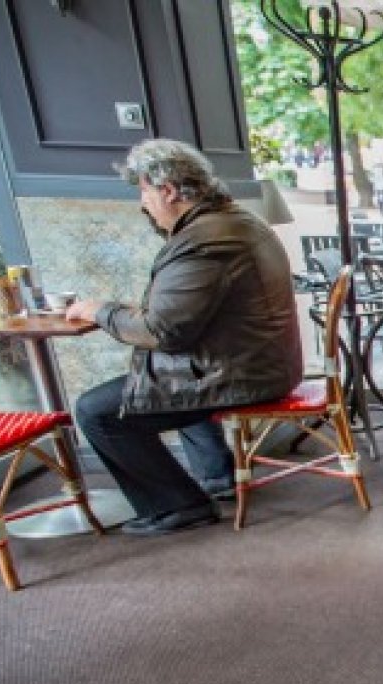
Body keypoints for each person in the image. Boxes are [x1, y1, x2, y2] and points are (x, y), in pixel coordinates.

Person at [67, 139, 303, 535]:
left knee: (95, 411)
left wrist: (100, 311)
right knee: (168, 378)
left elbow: (162, 331)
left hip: (246, 375)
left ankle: (179, 505)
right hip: (259, 362)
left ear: (169, 191)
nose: (143, 204)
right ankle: (216, 476)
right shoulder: (231, 222)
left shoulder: (204, 241)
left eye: (144, 193)